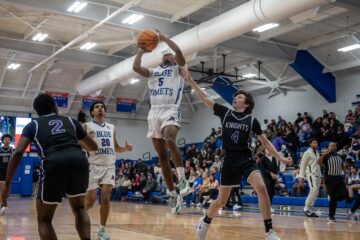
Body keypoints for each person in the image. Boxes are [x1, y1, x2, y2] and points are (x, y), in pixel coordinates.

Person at [180, 67, 292, 240]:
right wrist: (190, 80)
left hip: (246, 159)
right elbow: (204, 98)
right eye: (235, 96)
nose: (235, 98)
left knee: (261, 187)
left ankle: (269, 231)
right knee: (221, 202)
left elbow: (265, 142)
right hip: (230, 160)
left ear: (246, 103)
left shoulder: (251, 120)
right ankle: (205, 220)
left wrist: (280, 157)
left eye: (239, 97)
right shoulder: (225, 113)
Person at [1, 93, 98, 239]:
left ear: (37, 112)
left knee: (44, 219)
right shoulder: (71, 121)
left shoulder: (33, 125)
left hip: (53, 163)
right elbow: (93, 146)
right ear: (55, 106)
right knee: (79, 209)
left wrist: (7, 184)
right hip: (79, 161)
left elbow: (18, 152)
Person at [133, 30, 190, 214]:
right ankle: (173, 194)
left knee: (170, 140)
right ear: (160, 59)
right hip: (154, 113)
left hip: (170, 110)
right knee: (162, 158)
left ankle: (182, 179)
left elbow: (179, 51)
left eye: (170, 55)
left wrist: (164, 38)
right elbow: (136, 68)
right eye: (164, 54)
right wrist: (141, 51)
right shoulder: (154, 72)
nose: (168, 55)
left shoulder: (179, 70)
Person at [83, 101, 133, 240]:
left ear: (104, 111)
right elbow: (78, 143)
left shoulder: (111, 127)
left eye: (102, 107)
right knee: (91, 200)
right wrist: (87, 145)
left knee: (105, 197)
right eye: (97, 107)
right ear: (92, 112)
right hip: (93, 166)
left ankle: (102, 230)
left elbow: (116, 147)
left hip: (109, 166)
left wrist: (126, 149)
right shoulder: (86, 126)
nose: (100, 109)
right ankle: (81, 213)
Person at [318, 142, 348, 222]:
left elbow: (341, 164)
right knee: (333, 198)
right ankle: (331, 216)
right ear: (328, 147)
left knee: (345, 194)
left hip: (338, 178)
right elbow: (318, 163)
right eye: (330, 146)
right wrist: (324, 154)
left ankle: (332, 198)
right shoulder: (326, 156)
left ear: (336, 147)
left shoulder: (339, 156)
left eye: (333, 145)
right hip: (329, 178)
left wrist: (345, 170)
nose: (332, 147)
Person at [299, 138, 321, 217]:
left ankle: (310, 209)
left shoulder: (317, 152)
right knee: (313, 190)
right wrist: (301, 176)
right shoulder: (307, 153)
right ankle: (306, 208)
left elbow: (318, 164)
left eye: (316, 143)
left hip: (318, 174)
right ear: (310, 144)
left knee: (316, 192)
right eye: (314, 143)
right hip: (311, 174)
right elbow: (303, 165)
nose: (316, 144)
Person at [0, 134, 13, 215]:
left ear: (10, 141)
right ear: (2, 140)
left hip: (9, 171)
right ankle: (3, 205)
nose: (7, 140)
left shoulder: (12, 150)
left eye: (8, 139)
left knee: (7, 193)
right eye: (5, 139)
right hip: (0, 171)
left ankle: (4, 203)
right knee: (2, 187)